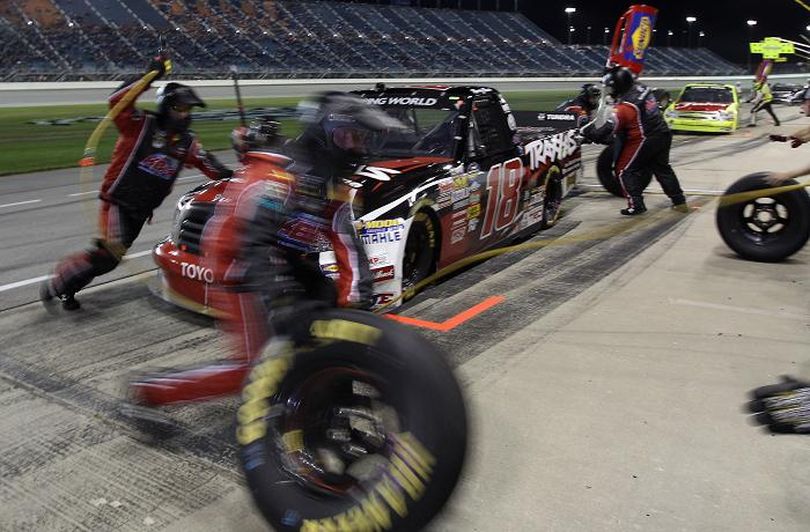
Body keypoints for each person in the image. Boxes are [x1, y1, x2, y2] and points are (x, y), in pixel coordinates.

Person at [125, 92, 398, 408]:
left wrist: (356, 306)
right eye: (348, 137)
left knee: (324, 308)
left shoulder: (334, 185)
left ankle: (318, 389)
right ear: (324, 133)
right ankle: (149, 392)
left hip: (283, 261)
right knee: (252, 369)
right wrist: (281, 301)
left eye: (362, 139)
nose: (356, 147)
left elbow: (346, 244)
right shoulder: (279, 175)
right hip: (237, 266)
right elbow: (249, 240)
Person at [40, 55, 233, 311]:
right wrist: (148, 76)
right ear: (165, 106)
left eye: (188, 109)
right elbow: (116, 100)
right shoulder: (139, 124)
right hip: (118, 200)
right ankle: (59, 284)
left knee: (110, 258)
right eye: (179, 108)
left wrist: (239, 175)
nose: (185, 114)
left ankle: (66, 285)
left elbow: (212, 167)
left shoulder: (187, 142)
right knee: (108, 254)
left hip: (141, 210)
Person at [582, 66, 687, 216]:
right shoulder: (642, 87)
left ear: (619, 85)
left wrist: (587, 133)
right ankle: (679, 201)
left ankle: (636, 205)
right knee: (662, 169)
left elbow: (606, 130)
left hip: (645, 138)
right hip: (662, 132)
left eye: (612, 87)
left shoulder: (625, 107)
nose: (610, 90)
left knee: (624, 171)